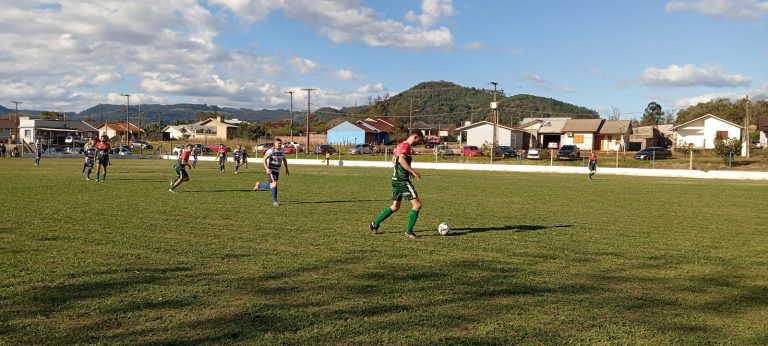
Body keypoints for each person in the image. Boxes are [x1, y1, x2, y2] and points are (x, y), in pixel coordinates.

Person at [369, 130, 424, 239]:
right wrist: (412, 172)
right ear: (415, 136)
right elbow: (401, 159)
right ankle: (408, 232)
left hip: (395, 179)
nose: (419, 143)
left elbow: (393, 159)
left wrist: (404, 170)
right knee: (417, 205)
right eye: (419, 140)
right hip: (402, 180)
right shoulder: (406, 146)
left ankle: (374, 224)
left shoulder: (399, 145)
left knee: (395, 206)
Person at [254, 138, 289, 207]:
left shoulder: (282, 150)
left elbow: (284, 160)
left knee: (273, 185)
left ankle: (259, 185)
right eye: (278, 143)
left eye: (280, 143)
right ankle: (275, 201)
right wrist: (267, 169)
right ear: (275, 144)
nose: (280, 144)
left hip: (277, 171)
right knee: (274, 185)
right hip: (271, 170)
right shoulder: (271, 150)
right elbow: (264, 159)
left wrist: (286, 169)